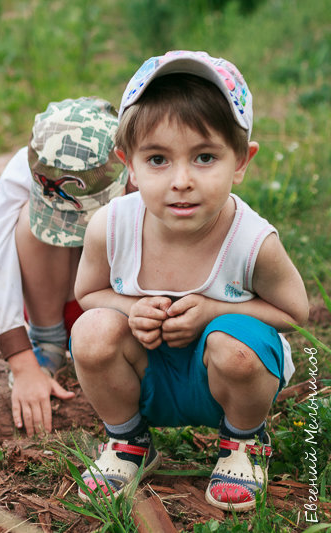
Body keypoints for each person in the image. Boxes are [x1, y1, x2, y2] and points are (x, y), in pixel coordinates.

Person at [71, 51, 309, 511]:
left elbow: (294, 313)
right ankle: (128, 442)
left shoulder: (252, 240)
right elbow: (88, 294)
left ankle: (243, 441)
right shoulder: (111, 226)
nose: (181, 180)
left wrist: (215, 310)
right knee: (92, 331)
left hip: (224, 379)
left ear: (241, 161)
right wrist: (129, 308)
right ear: (129, 165)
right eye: (158, 159)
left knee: (237, 345)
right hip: (147, 373)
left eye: (204, 157)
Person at [0, 97, 129, 436]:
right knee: (29, 221)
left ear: (123, 162)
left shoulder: (144, 170)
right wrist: (22, 364)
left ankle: (107, 339)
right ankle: (49, 342)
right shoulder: (29, 166)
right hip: (54, 298)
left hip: (117, 301)